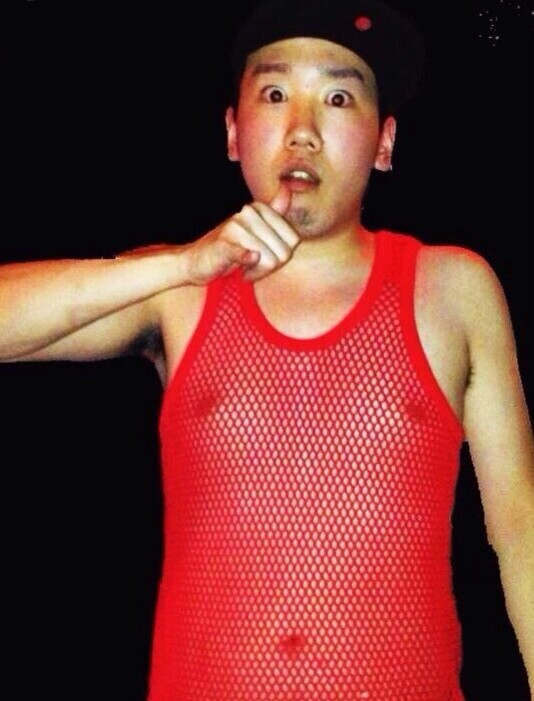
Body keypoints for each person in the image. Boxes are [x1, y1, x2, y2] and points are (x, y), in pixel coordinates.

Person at [1, 0, 532, 698]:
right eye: (276, 94)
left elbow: (520, 527)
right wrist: (182, 264)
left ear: (384, 142)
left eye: (337, 98)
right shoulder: (177, 291)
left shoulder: (455, 288)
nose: (302, 129)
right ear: (232, 132)